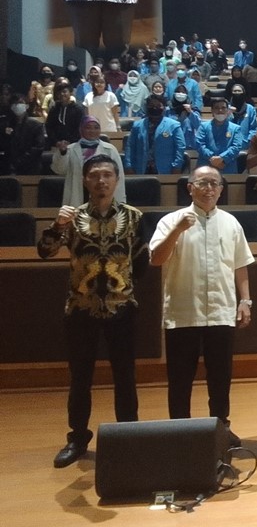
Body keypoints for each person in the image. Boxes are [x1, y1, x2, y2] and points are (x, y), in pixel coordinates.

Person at [37, 154, 145, 468]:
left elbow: (141, 261)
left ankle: (129, 436)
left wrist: (123, 284)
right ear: (85, 181)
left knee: (125, 377)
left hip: (121, 307)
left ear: (116, 180)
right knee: (80, 377)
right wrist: (57, 226)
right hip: (81, 308)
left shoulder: (134, 216)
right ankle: (78, 438)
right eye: (95, 175)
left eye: (107, 175)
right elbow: (45, 252)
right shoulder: (71, 218)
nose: (101, 181)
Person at [149, 167, 254, 446]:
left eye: (214, 184)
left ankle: (221, 428)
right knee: (180, 381)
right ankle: (179, 431)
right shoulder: (171, 220)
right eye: (203, 183)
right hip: (183, 314)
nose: (209, 189)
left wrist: (245, 300)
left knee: (220, 380)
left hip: (221, 312)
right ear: (190, 187)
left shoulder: (231, 222)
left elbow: (240, 264)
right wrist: (177, 230)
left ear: (221, 189)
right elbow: (156, 259)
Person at [52, 116, 127, 206]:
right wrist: (63, 153)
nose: (92, 131)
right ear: (81, 129)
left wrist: (120, 202)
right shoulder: (70, 149)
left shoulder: (110, 149)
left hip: (103, 192)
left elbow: (119, 177)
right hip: (78, 195)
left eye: (96, 127)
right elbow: (59, 170)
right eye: (88, 127)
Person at [124, 94, 186, 174]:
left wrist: (177, 166)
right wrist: (128, 166)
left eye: (158, 105)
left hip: (166, 169)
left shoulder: (174, 125)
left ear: (164, 107)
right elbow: (130, 147)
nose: (154, 108)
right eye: (151, 105)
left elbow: (180, 147)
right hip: (141, 168)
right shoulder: (137, 126)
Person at [1, 94, 46, 174]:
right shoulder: (6, 124)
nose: (17, 105)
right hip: (9, 167)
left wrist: (21, 160)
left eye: (20, 103)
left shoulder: (36, 125)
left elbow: (38, 147)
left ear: (26, 106)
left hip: (30, 167)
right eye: (14, 103)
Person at [197, 98, 243, 174]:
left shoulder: (236, 128)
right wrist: (212, 158)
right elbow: (199, 144)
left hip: (227, 167)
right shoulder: (203, 126)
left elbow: (236, 147)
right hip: (206, 166)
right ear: (212, 110)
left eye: (223, 108)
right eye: (217, 108)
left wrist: (222, 158)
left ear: (228, 110)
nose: (220, 110)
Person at [45, 82, 85, 148]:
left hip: (74, 146)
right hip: (56, 146)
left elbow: (80, 128)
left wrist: (70, 142)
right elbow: (49, 127)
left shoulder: (78, 109)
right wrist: (56, 142)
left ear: (71, 93)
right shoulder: (54, 109)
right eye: (59, 92)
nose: (62, 94)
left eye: (64, 92)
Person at [169, 84, 202, 150]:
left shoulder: (193, 111)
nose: (180, 94)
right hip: (172, 146)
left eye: (183, 92)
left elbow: (199, 126)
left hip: (189, 146)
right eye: (178, 92)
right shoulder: (168, 111)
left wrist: (190, 113)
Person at [228, 84, 257, 150]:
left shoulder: (250, 109)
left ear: (243, 92)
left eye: (239, 91)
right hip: (228, 144)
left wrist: (248, 141)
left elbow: (253, 128)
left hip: (245, 143)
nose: (237, 93)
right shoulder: (226, 109)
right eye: (235, 91)